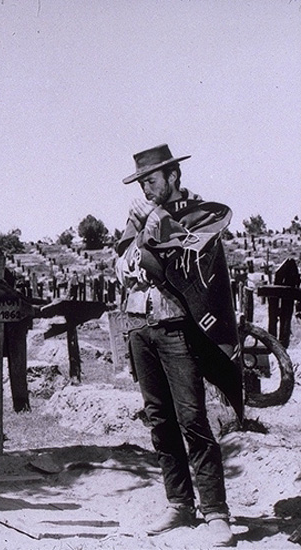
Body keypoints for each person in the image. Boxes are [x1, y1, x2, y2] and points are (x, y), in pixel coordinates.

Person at [115, 144, 243, 547]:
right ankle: (179, 504)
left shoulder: (199, 215)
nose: (146, 189)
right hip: (140, 325)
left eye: (151, 180)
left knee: (192, 419)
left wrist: (154, 223)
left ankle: (216, 512)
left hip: (177, 328)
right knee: (159, 421)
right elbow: (123, 265)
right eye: (141, 183)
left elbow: (189, 255)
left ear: (173, 177)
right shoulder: (137, 220)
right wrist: (135, 246)